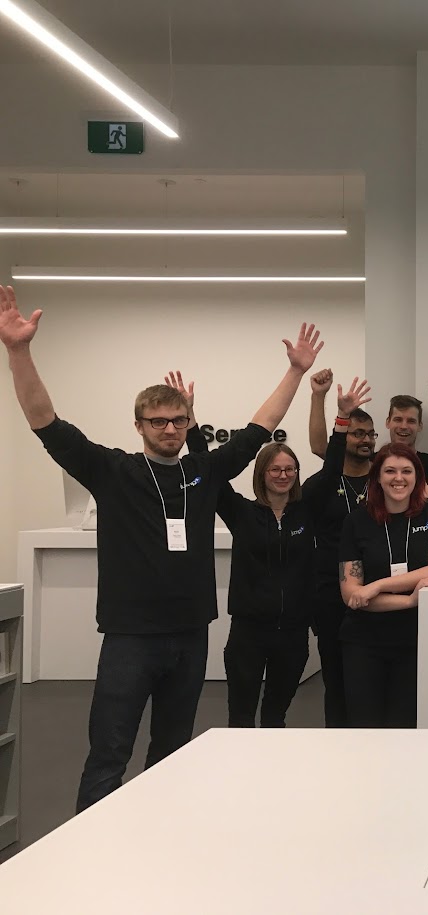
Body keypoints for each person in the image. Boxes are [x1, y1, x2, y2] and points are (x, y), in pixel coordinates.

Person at [0, 286, 322, 811]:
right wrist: (18, 352)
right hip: (130, 637)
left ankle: (157, 837)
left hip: (190, 635)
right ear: (140, 426)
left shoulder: (205, 471)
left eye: (178, 420)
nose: (170, 429)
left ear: (189, 423)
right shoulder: (113, 471)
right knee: (109, 754)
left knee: (171, 754)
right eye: (158, 421)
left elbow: (258, 429)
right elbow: (46, 424)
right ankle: (96, 844)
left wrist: (295, 372)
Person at [179, 374, 363, 728]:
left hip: (293, 633)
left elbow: (332, 469)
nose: (283, 475)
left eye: (290, 469)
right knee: (241, 717)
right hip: (248, 633)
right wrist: (190, 420)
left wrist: (342, 418)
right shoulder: (241, 512)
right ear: (262, 473)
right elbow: (208, 469)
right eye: (275, 469)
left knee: (276, 716)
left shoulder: (307, 510)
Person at [338, 444, 428, 728]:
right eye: (390, 471)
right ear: (377, 477)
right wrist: (409, 600)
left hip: (417, 640)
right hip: (364, 642)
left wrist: (377, 586)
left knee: (406, 728)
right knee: (365, 727)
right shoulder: (356, 521)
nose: (398, 478)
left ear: (417, 477)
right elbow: (352, 594)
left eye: (406, 471)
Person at [301, 370, 378, 728]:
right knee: (336, 677)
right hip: (331, 595)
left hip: (379, 590)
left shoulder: (385, 481)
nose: (366, 440)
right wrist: (329, 407)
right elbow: (328, 458)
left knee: (372, 677)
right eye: (357, 433)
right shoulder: (319, 486)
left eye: (370, 434)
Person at [384, 390, 428, 496]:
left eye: (411, 421)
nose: (404, 426)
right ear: (388, 422)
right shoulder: (374, 462)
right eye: (398, 419)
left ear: (420, 426)